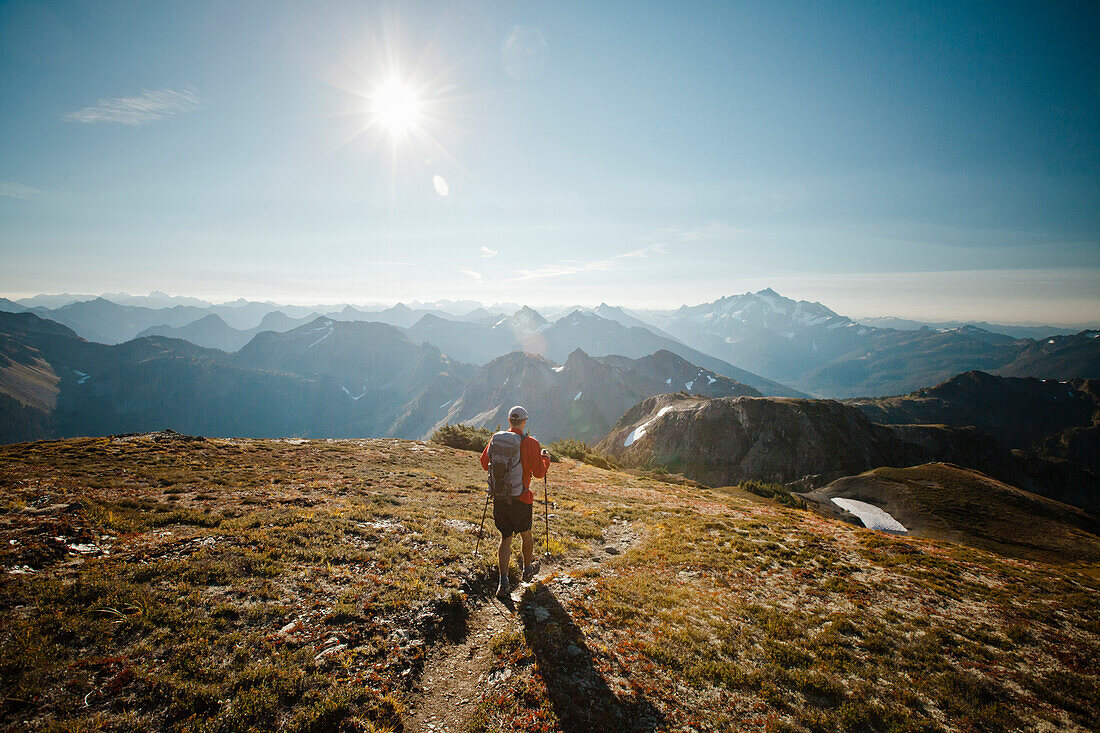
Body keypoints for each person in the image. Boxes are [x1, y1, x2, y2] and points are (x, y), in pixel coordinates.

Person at [480, 405, 551, 600]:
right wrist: (546, 460)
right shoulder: (531, 443)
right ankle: (528, 570)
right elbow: (538, 473)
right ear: (524, 421)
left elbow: (484, 462)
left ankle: (503, 582)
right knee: (526, 534)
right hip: (521, 498)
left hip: (500, 496)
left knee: (505, 538)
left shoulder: (497, 438)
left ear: (509, 420)